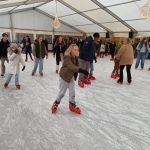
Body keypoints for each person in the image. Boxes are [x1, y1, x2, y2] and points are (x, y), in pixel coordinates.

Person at [51, 44, 89, 114]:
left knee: (72, 92)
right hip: (64, 77)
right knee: (62, 93)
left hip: (70, 76)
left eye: (77, 50)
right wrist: (82, 70)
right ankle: (56, 102)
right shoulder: (67, 57)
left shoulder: (76, 58)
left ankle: (72, 104)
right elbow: (71, 67)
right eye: (75, 50)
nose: (77, 51)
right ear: (70, 50)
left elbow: (76, 67)